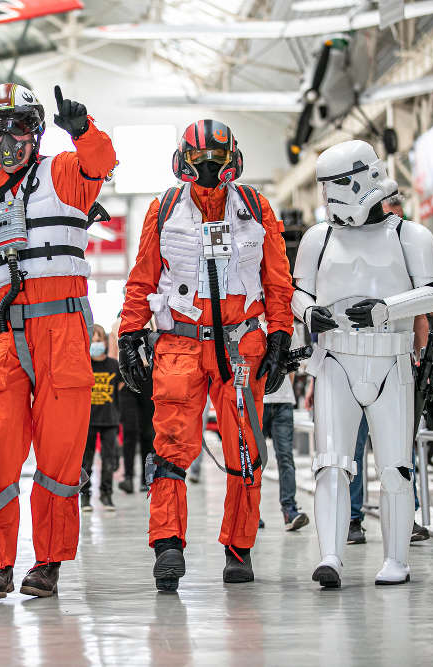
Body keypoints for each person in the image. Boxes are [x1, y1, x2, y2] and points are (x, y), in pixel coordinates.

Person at [0, 83, 116, 599]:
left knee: (59, 453)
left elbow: (98, 164)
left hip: (63, 330)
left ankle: (49, 562)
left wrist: (83, 130)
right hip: (2, 331)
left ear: (35, 129)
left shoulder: (63, 172)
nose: (6, 138)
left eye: (16, 126)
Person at [117, 119, 295, 591]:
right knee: (171, 448)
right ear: (184, 162)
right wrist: (129, 334)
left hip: (241, 345)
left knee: (245, 450)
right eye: (200, 160)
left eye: (218, 158)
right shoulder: (164, 209)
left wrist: (280, 335)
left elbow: (278, 279)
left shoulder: (256, 208)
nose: (210, 168)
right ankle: (168, 544)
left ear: (233, 158)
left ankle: (239, 548)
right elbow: (142, 279)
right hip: (180, 344)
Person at [292, 140, 433, 588]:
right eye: (326, 188)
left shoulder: (411, 235)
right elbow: (299, 291)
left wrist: (386, 309)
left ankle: (396, 558)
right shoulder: (318, 239)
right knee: (331, 463)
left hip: (390, 362)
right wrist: (307, 312)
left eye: (338, 185)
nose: (331, 197)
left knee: (396, 465)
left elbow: (432, 293)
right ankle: (331, 556)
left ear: (365, 178)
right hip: (336, 360)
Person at [262, 325, 309, 531]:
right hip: (256, 401)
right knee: (252, 459)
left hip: (283, 402)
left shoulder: (287, 325)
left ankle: (289, 510)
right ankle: (250, 511)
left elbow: (292, 366)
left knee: (285, 457)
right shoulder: (250, 320)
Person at [82, 324, 121, 511]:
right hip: (88, 421)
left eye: (99, 339)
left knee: (108, 461)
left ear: (105, 342)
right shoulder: (84, 365)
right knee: (86, 462)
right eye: (93, 340)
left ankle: (107, 495)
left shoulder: (114, 365)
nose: (96, 342)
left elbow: (120, 387)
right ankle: (85, 497)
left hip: (110, 420)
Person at [117, 324, 156, 494]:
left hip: (149, 378)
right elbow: (114, 353)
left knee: (148, 432)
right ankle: (128, 477)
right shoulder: (118, 325)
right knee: (130, 430)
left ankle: (145, 478)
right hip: (126, 379)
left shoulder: (154, 323)